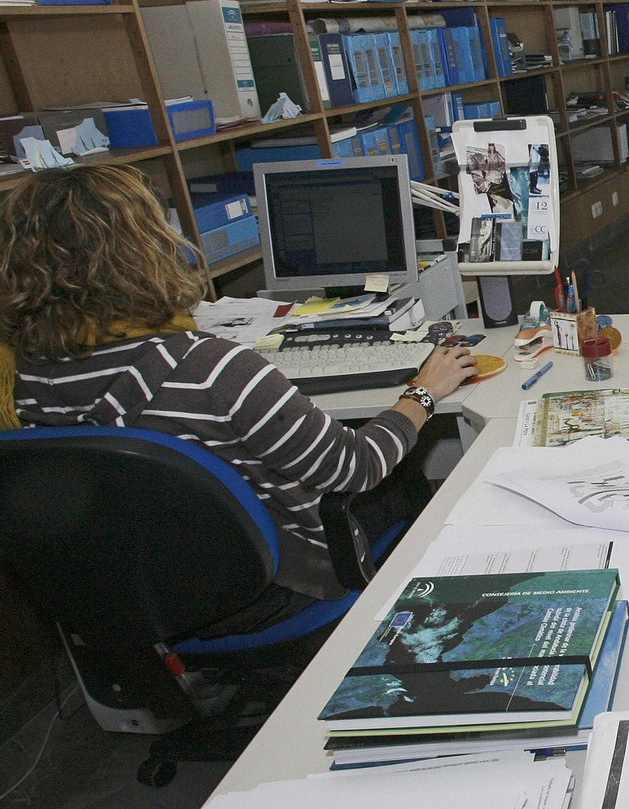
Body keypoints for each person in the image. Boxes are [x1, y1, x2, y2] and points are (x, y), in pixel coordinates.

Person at [0, 165, 476, 620]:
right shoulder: (214, 368)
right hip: (276, 587)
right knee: (410, 475)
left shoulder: (30, 378)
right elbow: (356, 465)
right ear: (145, 251)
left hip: (139, 598)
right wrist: (422, 394)